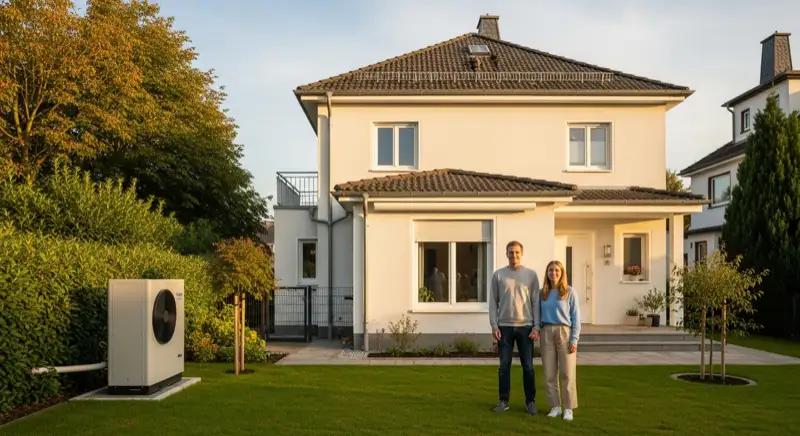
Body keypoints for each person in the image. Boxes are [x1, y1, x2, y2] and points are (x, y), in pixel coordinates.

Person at [489, 240, 541, 415]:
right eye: (511, 252)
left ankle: (531, 402)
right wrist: (494, 325)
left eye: (517, 252)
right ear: (506, 254)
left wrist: (536, 327)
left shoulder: (531, 275)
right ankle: (503, 401)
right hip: (504, 328)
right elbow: (492, 303)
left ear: (521, 253)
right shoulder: (498, 275)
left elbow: (536, 303)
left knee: (528, 367)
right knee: (504, 367)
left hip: (526, 327)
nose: (514, 255)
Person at [539, 260, 581, 421]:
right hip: (547, 332)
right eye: (550, 270)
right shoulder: (543, 292)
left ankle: (568, 408)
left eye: (557, 270)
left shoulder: (569, 292)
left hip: (565, 332)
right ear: (547, 273)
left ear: (562, 273)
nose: (553, 273)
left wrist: (574, 339)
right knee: (549, 372)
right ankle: (555, 406)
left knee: (567, 373)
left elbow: (576, 318)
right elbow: (537, 314)